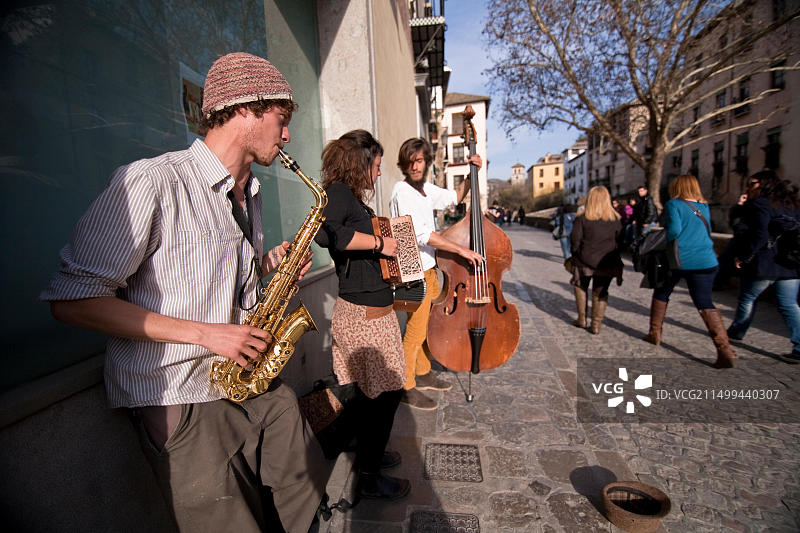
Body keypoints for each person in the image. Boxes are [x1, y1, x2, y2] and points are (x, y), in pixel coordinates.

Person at [40, 52, 326, 532]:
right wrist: (209, 335)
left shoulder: (248, 194)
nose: (288, 135)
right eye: (282, 119)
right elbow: (73, 301)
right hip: (180, 395)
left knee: (304, 488)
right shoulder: (151, 181)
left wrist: (265, 271)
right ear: (245, 108)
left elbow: (215, 287)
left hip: (242, 382)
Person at [313, 129, 410, 500]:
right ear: (361, 163)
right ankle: (368, 474)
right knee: (383, 395)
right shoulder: (338, 193)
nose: (380, 172)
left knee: (377, 394)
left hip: (375, 313)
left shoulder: (349, 198)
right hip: (363, 315)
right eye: (377, 165)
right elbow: (327, 235)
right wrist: (382, 244)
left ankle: (371, 454)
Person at [390, 138, 484, 410]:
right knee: (416, 331)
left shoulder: (424, 189)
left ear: (426, 162)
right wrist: (461, 251)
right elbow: (420, 234)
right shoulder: (402, 191)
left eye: (419, 160)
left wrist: (471, 172)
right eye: (410, 161)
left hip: (429, 269)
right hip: (413, 270)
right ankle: (406, 385)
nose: (415, 166)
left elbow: (454, 197)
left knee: (429, 326)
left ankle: (423, 372)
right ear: (404, 164)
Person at [642, 174, 737, 368]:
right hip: (707, 260)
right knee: (704, 301)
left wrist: (662, 237)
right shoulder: (703, 206)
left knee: (662, 291)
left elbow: (675, 231)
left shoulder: (673, 204)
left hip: (680, 259)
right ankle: (724, 348)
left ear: (677, 187)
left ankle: (655, 334)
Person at [727, 171, 800, 363]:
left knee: (748, 297)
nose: (748, 187)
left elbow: (757, 235)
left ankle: (736, 332)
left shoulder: (760, 204)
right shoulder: (791, 203)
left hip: (766, 261)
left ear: (763, 184)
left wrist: (744, 257)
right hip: (790, 263)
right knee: (790, 305)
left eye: (752, 183)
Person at [569, 186, 623, 334]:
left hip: (584, 260)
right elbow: (620, 242)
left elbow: (575, 240)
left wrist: (576, 254)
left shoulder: (582, 218)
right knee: (601, 291)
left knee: (580, 286)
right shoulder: (616, 220)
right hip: (607, 261)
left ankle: (582, 319)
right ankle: (596, 325)